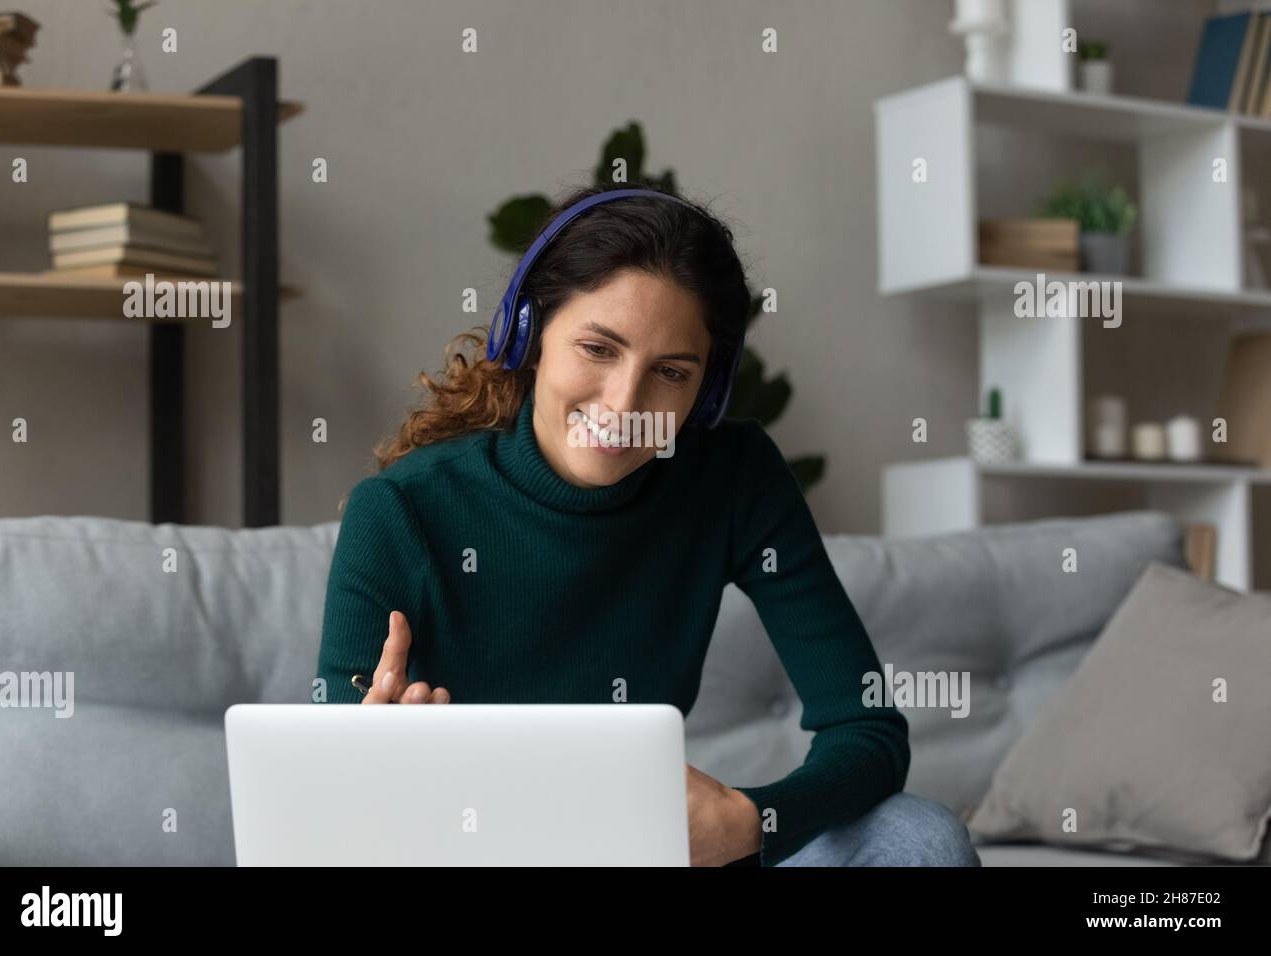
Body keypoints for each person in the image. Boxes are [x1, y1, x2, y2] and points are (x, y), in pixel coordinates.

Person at [316, 182, 980, 868]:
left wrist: (752, 822)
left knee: (920, 838)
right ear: (528, 333)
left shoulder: (734, 478)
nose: (625, 402)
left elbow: (865, 725)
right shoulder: (400, 511)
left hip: (646, 855)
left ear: (707, 390)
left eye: (669, 371)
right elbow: (331, 805)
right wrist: (379, 769)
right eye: (598, 349)